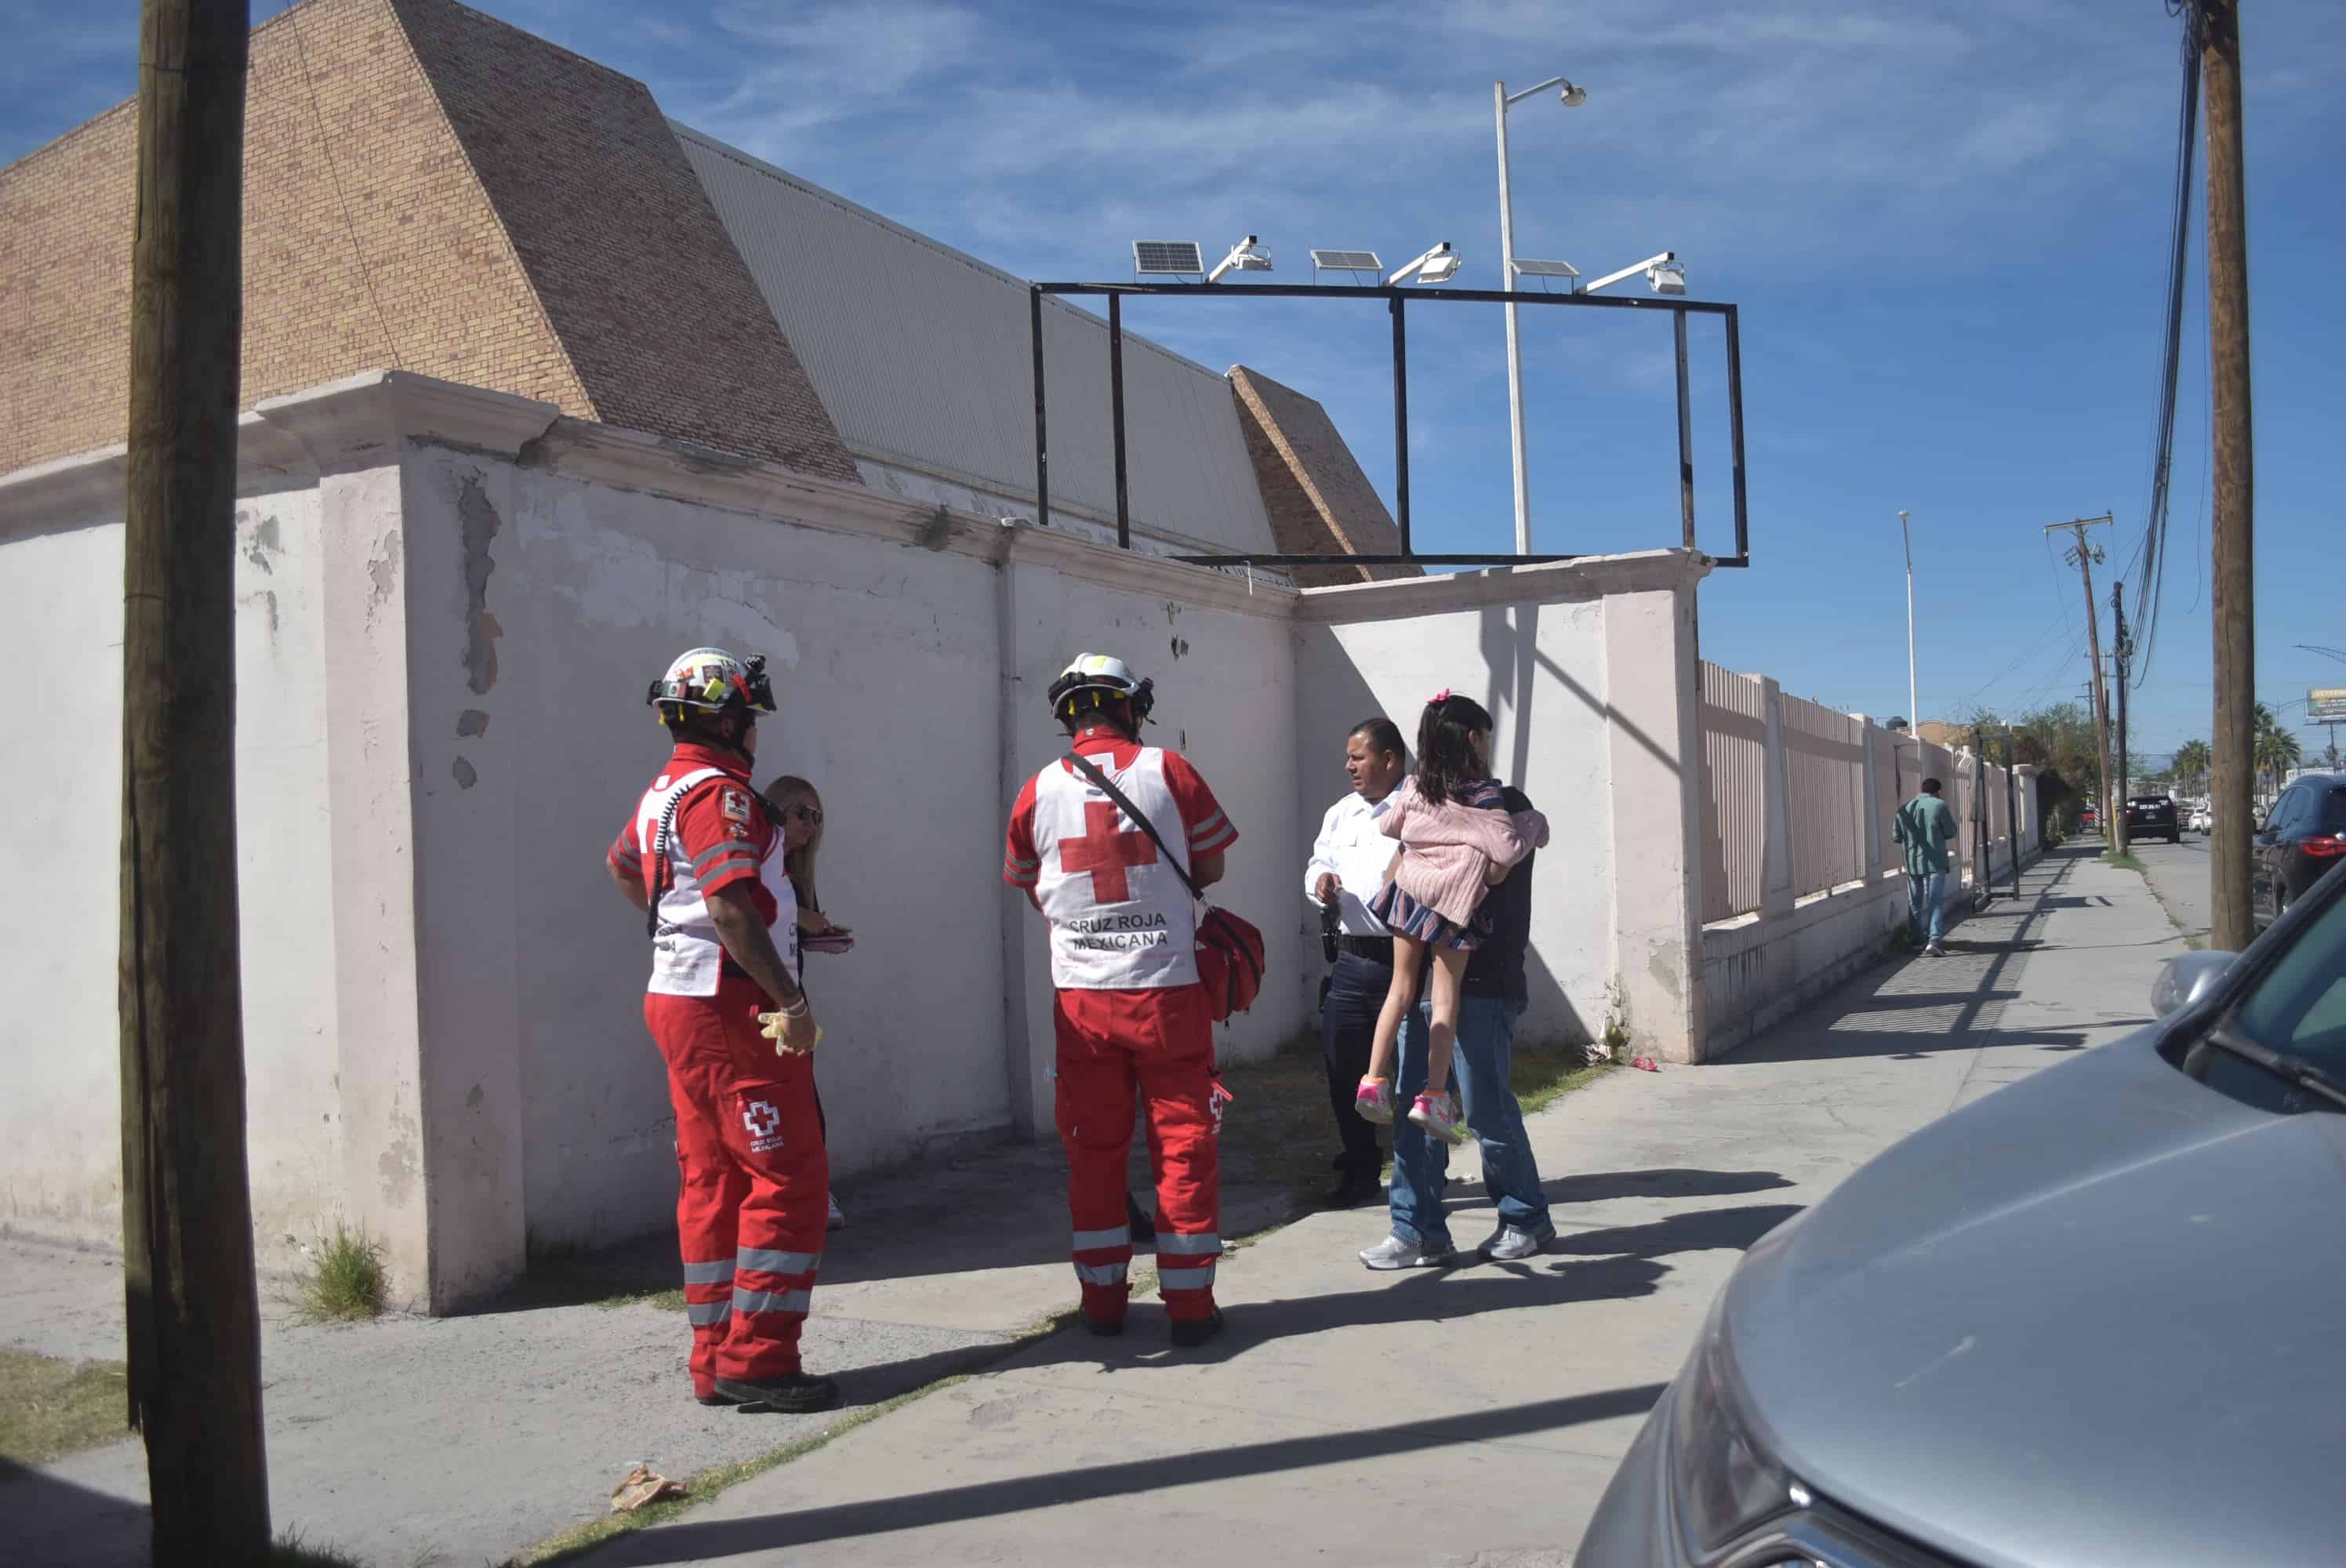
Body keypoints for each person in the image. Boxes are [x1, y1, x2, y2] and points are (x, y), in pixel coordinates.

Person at [607, 647, 836, 1414]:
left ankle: (714, 1357)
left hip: (680, 998)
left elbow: (624, 868)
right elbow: (732, 908)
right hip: (733, 1008)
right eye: (752, 717)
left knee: (715, 1181)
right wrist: (793, 1003)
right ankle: (761, 1360)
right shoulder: (724, 797)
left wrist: (673, 924)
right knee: (788, 1178)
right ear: (733, 719)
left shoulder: (661, 792)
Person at [1003, 653, 1237, 1347]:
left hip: (1082, 1002)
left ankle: (1102, 1306)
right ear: (1132, 706)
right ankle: (1191, 1309)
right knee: (1184, 1149)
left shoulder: (1037, 789)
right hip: (1167, 993)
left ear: (1068, 717)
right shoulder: (1171, 770)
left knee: (1094, 1154)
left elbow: (1025, 878)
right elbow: (1213, 864)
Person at [1361, 735, 1558, 1271]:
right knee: (1416, 1112)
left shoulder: (1506, 808)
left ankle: (1524, 1218)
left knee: (1486, 1109)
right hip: (1425, 988)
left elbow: (1500, 875)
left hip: (1484, 985)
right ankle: (1418, 1230)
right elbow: (1395, 876)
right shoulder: (1423, 808)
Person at [1354, 693, 1547, 1147]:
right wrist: (1532, 826)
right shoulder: (1485, 797)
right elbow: (1503, 856)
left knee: (1400, 992)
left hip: (1408, 897)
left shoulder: (1417, 788)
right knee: (1444, 1000)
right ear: (1475, 738)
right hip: (1452, 907)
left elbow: (1390, 827)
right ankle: (1434, 1097)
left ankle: (1373, 1081)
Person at [1304, 717, 1409, 1208]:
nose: (1349, 766)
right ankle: (1362, 1168)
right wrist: (1321, 881)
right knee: (1344, 1069)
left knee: (1409, 1075)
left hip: (1407, 965)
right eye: (1348, 757)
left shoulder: (1420, 809)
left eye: (1358, 757)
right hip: (1350, 963)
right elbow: (1317, 862)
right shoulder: (1342, 813)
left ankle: (1420, 1172)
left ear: (1389, 759)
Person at [761, 775, 851, 1232]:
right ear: (777, 808)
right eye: (801, 813)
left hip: (790, 990)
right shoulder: (761, 858)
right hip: (761, 996)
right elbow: (741, 904)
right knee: (778, 1104)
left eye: (817, 818)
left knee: (801, 1099)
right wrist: (801, 917)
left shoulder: (796, 871)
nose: (810, 826)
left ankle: (813, 1189)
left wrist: (821, 932)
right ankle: (803, 1193)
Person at [1893, 775, 1959, 956]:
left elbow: (1896, 837)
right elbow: (1951, 831)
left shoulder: (1904, 809)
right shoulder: (1939, 805)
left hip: (1913, 863)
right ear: (1937, 792)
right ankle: (1933, 940)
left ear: (1921, 790)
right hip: (1935, 861)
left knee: (1915, 901)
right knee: (1934, 900)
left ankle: (1916, 939)